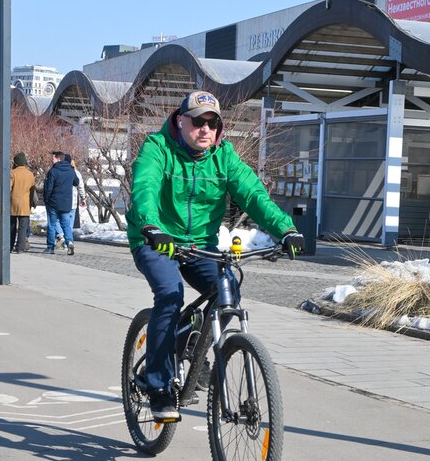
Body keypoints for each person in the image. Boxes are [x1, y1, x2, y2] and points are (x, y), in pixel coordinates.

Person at [125, 90, 305, 421]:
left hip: (199, 244)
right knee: (170, 293)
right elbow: (145, 188)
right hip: (155, 239)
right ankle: (158, 385)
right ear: (181, 121)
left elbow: (253, 195)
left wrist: (286, 230)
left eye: (213, 123)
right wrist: (151, 225)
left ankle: (194, 350)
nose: (205, 129)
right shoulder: (158, 149)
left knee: (228, 292)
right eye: (198, 121)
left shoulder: (224, 157)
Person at [43, 151, 79, 255]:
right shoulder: (71, 170)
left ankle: (50, 247)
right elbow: (76, 182)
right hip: (66, 203)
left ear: (58, 159)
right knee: (66, 225)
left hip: (53, 202)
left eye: (53, 158)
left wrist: (46, 199)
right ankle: (70, 243)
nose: (52, 160)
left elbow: (49, 188)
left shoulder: (53, 171)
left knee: (52, 224)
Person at [54, 154, 87, 247]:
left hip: (62, 200)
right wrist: (83, 198)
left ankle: (61, 235)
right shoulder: (76, 173)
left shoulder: (59, 171)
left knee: (57, 219)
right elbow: (80, 186)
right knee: (69, 222)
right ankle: (68, 241)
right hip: (73, 201)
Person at [10, 152, 35, 254]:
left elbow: (8, 188)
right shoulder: (30, 174)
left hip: (13, 203)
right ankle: (20, 248)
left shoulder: (12, 173)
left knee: (11, 226)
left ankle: (9, 246)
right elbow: (32, 191)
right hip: (25, 203)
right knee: (23, 228)